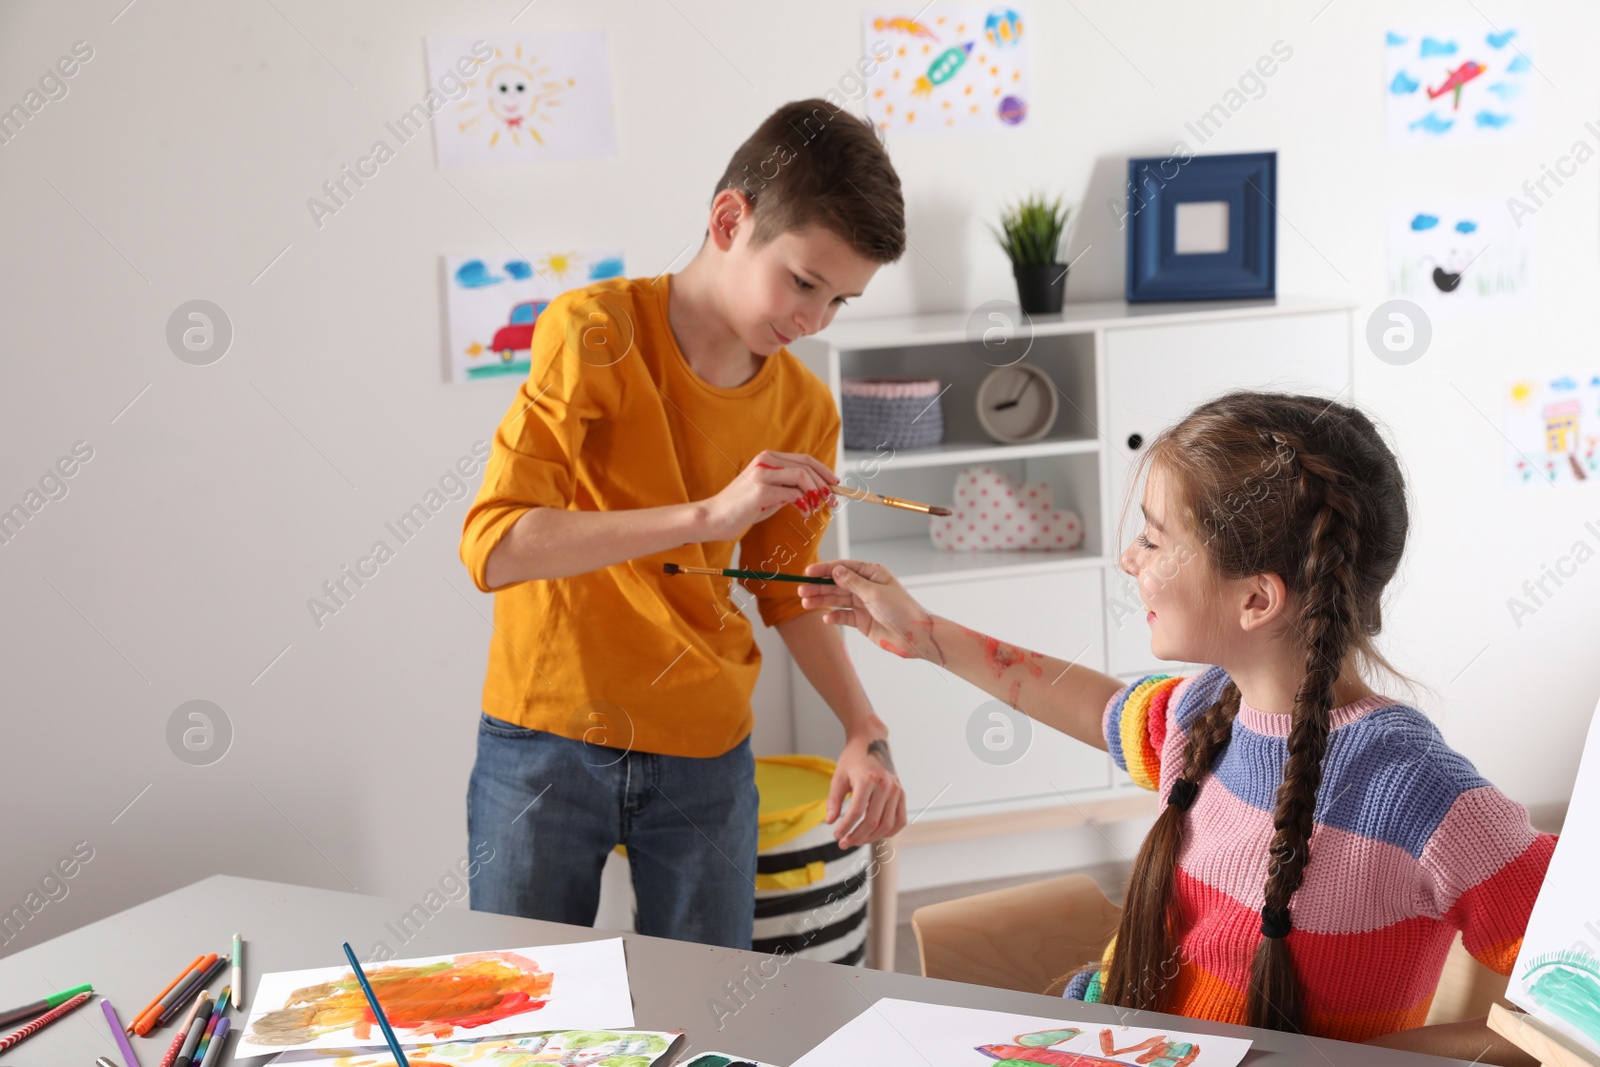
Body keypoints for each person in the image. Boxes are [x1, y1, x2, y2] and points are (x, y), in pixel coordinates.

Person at [800, 391, 1552, 1064]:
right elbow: (1088, 703)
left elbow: (1569, 1010)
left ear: (1256, 599)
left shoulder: (1416, 789)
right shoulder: (1209, 710)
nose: (1130, 558)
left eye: (1155, 539)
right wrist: (925, 633)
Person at [458, 98, 908, 951]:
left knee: (707, 1020)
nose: (813, 321)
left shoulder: (805, 407)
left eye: (840, 301)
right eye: (805, 282)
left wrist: (864, 727)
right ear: (730, 219)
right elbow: (498, 546)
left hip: (706, 754)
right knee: (523, 1015)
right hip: (547, 736)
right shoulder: (592, 331)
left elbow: (783, 593)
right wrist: (709, 514)